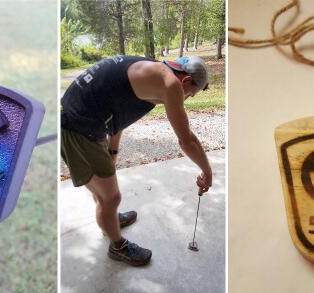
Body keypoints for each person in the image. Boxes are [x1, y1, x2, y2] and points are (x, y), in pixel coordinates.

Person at [61, 55, 213, 266]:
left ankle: (110, 219)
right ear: (186, 81)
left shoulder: (151, 69)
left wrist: (113, 150)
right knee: (110, 198)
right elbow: (186, 140)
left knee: (104, 191)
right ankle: (117, 246)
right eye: (190, 94)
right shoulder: (170, 84)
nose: (185, 98)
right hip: (77, 128)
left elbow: (118, 111)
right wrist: (207, 171)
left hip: (83, 120)